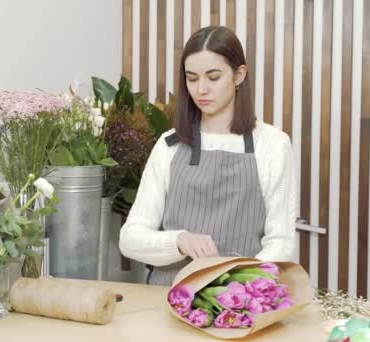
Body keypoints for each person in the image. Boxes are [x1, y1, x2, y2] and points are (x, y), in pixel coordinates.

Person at [118, 26, 297, 286]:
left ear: (239, 75)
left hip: (239, 302)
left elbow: (281, 243)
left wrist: (239, 288)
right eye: (192, 78)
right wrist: (179, 241)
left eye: (213, 77)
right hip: (166, 298)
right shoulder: (169, 145)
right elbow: (130, 239)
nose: (201, 89)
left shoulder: (272, 145)